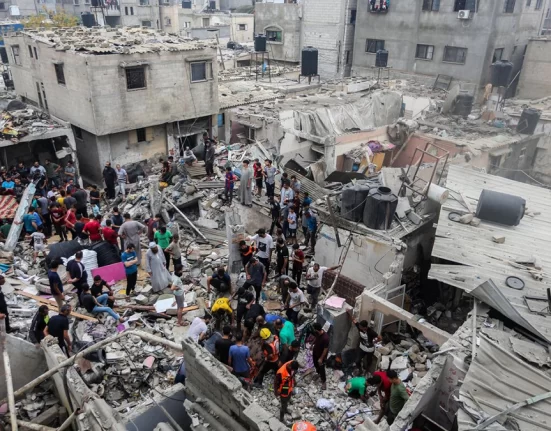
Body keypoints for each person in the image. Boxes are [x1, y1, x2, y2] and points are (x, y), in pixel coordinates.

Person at [312, 322, 329, 390]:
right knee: (316, 365)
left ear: (316, 329)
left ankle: (324, 382)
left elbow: (325, 349)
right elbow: (316, 338)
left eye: (314, 329)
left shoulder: (325, 338)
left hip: (321, 356)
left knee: (322, 368)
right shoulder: (317, 333)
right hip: (315, 352)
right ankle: (318, 373)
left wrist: (321, 358)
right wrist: (312, 344)